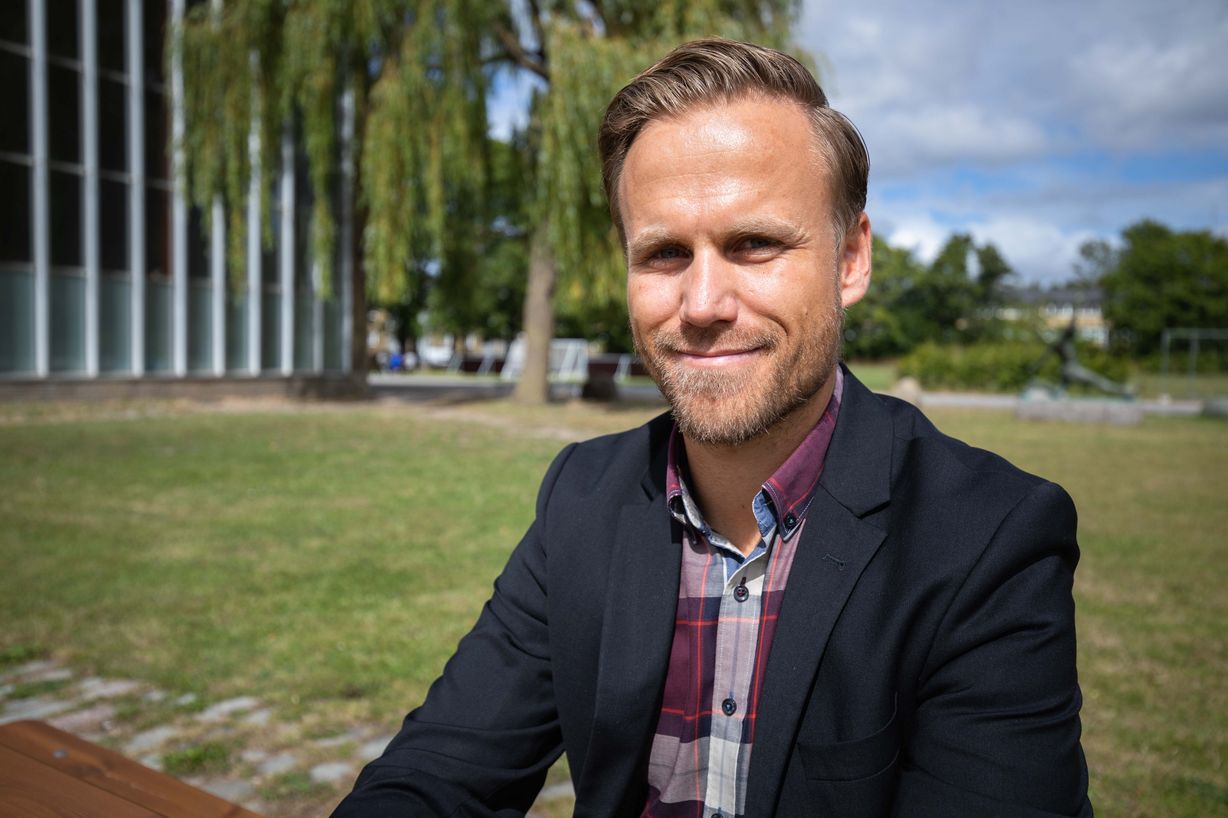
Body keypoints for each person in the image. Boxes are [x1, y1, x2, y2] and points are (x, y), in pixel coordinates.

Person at [333, 39, 1091, 818]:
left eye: (754, 244)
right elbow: (440, 771)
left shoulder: (987, 536)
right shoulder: (583, 500)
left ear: (851, 258)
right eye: (663, 253)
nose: (701, 304)